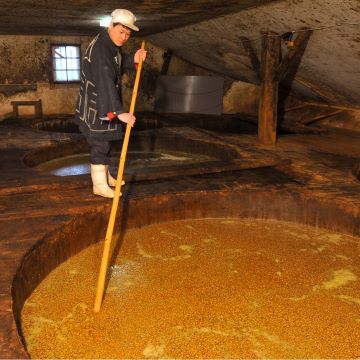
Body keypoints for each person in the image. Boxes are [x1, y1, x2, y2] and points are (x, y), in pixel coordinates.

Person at [75, 9, 147, 198]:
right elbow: (105, 80)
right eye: (121, 32)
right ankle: (99, 185)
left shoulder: (108, 42)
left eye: (128, 34)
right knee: (100, 145)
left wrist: (133, 59)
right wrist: (118, 111)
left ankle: (106, 177)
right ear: (110, 26)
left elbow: (118, 62)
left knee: (105, 142)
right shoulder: (101, 51)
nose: (124, 37)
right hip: (97, 105)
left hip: (98, 103)